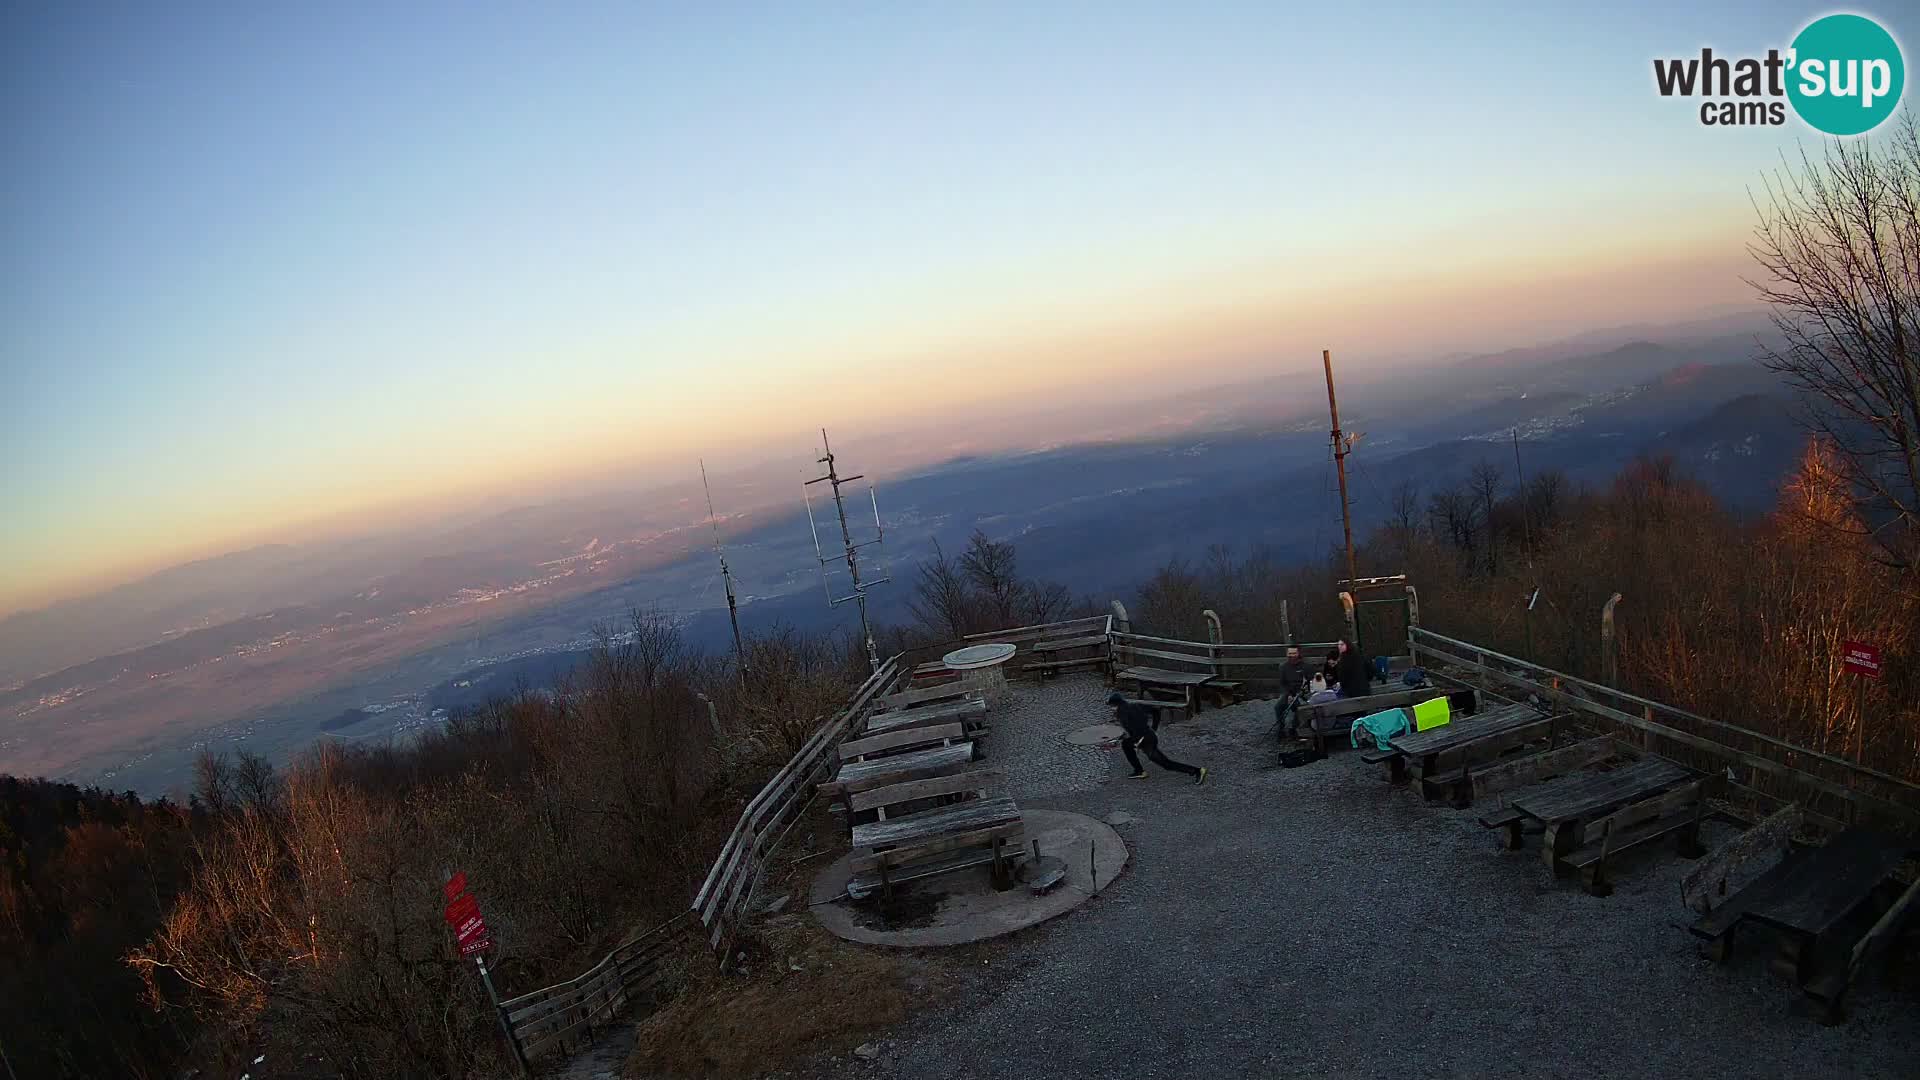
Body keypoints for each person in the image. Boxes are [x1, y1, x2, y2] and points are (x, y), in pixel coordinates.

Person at [1107, 692, 1207, 783]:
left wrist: (1136, 742)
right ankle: (1139, 770)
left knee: (1166, 764)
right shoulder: (1135, 705)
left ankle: (1197, 771)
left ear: (1115, 705)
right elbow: (1155, 711)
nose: (1111, 709)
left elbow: (1134, 729)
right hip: (1149, 735)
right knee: (1126, 745)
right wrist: (1154, 727)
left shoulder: (1122, 714)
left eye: (1111, 706)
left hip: (1146, 740)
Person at [1275, 646, 1310, 737]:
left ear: (1298, 654)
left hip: (1301, 693)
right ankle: (1281, 727)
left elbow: (1310, 681)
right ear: (1287, 654)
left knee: (1300, 707)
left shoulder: (1305, 666)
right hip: (1288, 693)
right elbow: (1282, 684)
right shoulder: (1283, 667)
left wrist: (1304, 691)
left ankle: (1294, 728)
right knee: (1278, 706)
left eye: (1294, 653)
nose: (1292, 656)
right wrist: (1288, 694)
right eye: (1290, 653)